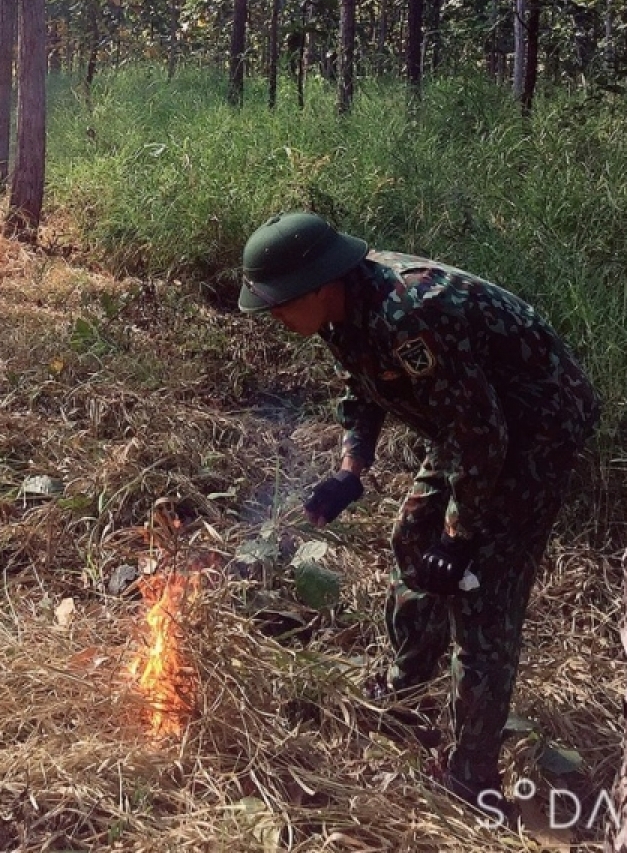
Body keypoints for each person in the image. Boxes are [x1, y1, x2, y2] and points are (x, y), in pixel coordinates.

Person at [238, 211, 599, 811]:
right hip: (468, 426)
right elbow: (362, 386)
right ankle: (405, 692)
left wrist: (460, 538)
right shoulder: (341, 309)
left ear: (318, 284)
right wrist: (351, 471)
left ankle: (471, 776)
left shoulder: (409, 312)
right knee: (411, 540)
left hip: (534, 431)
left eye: (278, 303)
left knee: (480, 591)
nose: (273, 316)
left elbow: (483, 436)